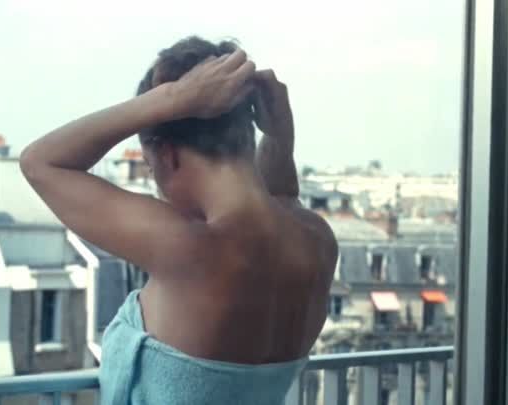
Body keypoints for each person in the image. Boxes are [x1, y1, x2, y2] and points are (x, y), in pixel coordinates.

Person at [20, 36, 338, 405]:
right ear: (244, 137)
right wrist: (280, 135)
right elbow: (281, 197)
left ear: (167, 154)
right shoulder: (315, 240)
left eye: (150, 166)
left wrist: (171, 99)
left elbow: (40, 163)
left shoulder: (188, 248)